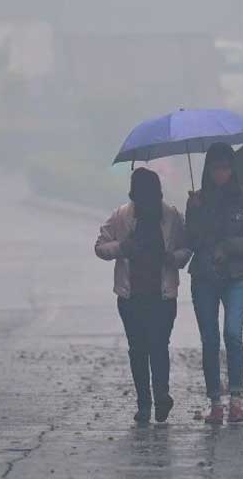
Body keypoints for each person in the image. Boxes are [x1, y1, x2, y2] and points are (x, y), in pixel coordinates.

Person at [95, 167, 191, 424]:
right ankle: (144, 404)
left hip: (163, 295)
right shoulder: (121, 216)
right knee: (138, 350)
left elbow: (186, 248)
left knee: (158, 346)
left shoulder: (171, 216)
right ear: (134, 196)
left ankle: (161, 397)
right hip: (131, 296)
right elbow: (100, 247)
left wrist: (173, 258)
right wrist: (122, 247)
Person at [186, 142, 243, 425]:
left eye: (225, 168)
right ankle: (215, 402)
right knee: (210, 340)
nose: (221, 173)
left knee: (233, 333)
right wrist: (194, 213)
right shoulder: (198, 200)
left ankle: (236, 400)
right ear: (208, 170)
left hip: (237, 276)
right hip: (204, 277)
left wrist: (230, 246)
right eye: (216, 168)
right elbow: (191, 241)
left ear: (233, 169)